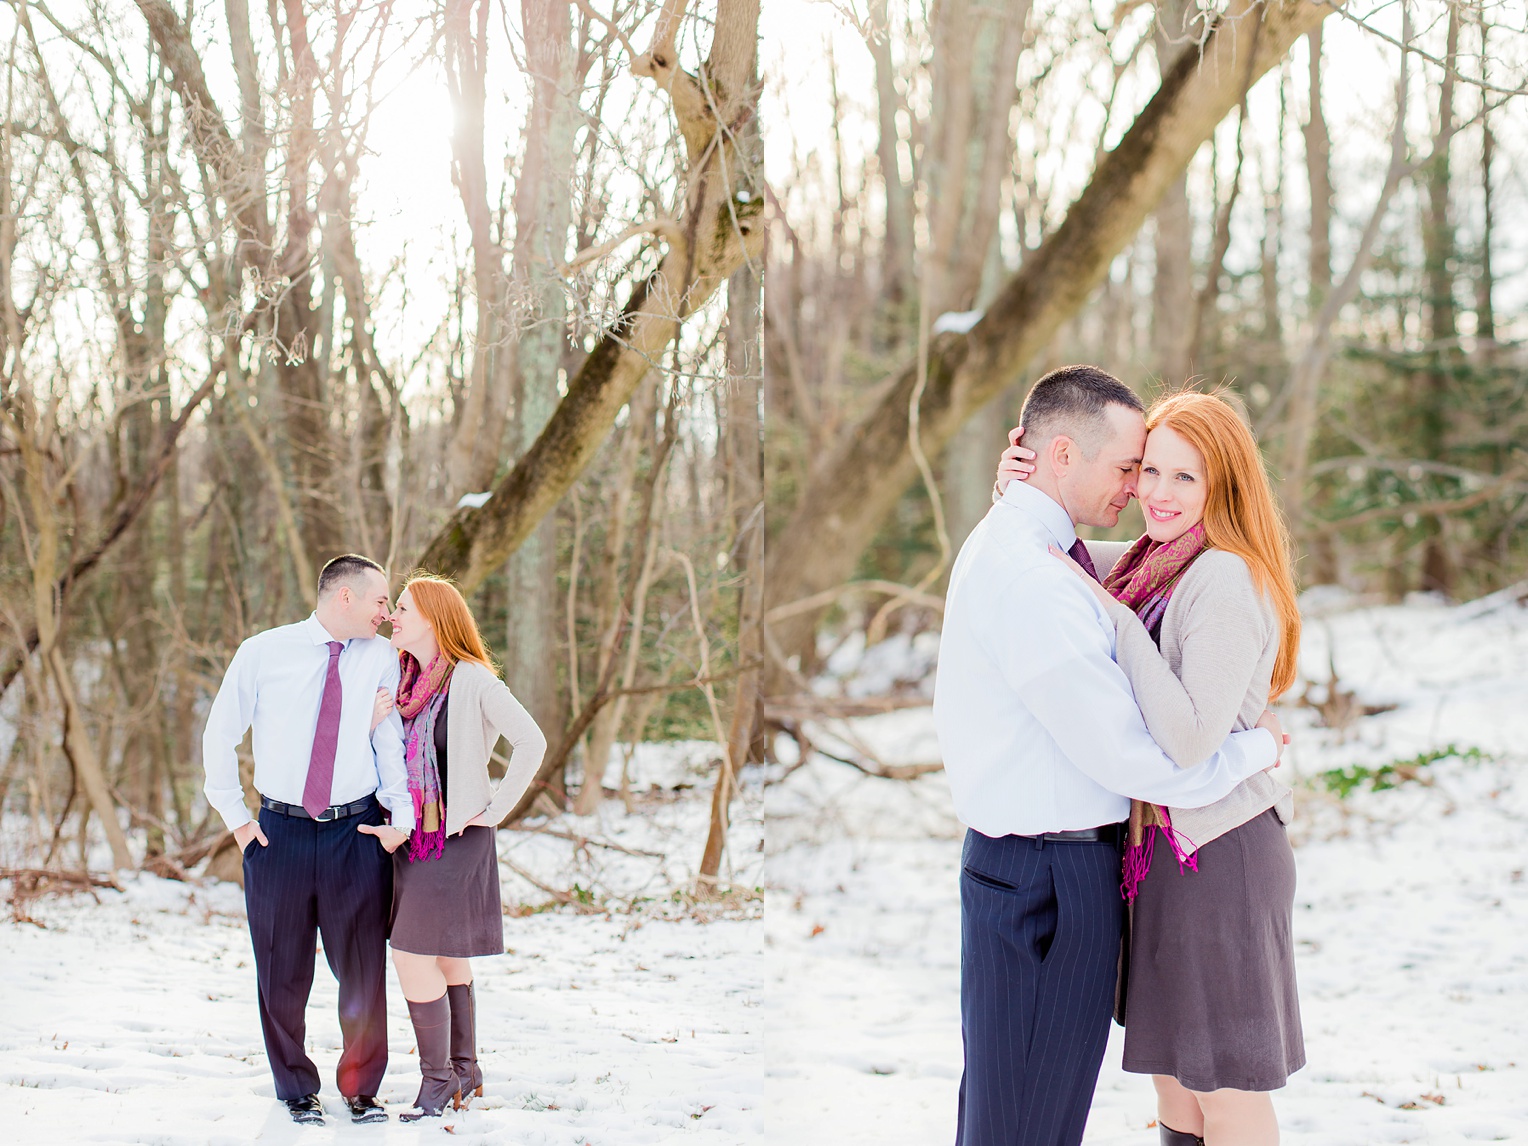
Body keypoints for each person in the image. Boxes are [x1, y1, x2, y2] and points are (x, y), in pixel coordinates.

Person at [933, 365, 1287, 1146]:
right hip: (1115, 859)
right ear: (1063, 453)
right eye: (1138, 466)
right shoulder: (1103, 568)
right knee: (1154, 1094)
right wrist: (1255, 750)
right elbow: (1062, 559)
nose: (1144, 489)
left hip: (1195, 851)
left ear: (1220, 486)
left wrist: (1027, 497)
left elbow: (1182, 732)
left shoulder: (1197, 573)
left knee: (1214, 1085)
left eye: (1174, 474)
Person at [202, 554, 411, 1127]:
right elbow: (220, 734)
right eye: (379, 601)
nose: (386, 613)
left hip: (358, 831)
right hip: (278, 835)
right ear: (344, 597)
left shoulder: (382, 657)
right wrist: (239, 822)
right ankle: (295, 1088)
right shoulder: (263, 652)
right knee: (281, 970)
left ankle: (362, 1088)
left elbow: (388, 743)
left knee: (364, 970)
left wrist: (399, 818)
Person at [367, 572, 548, 1121]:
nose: (393, 616)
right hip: (411, 836)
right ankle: (465, 1070)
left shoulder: (471, 680)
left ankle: (438, 1079)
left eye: (402, 607)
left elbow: (531, 742)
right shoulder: (401, 681)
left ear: (433, 617)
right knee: (445, 954)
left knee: (410, 953)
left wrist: (492, 811)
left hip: (455, 836)